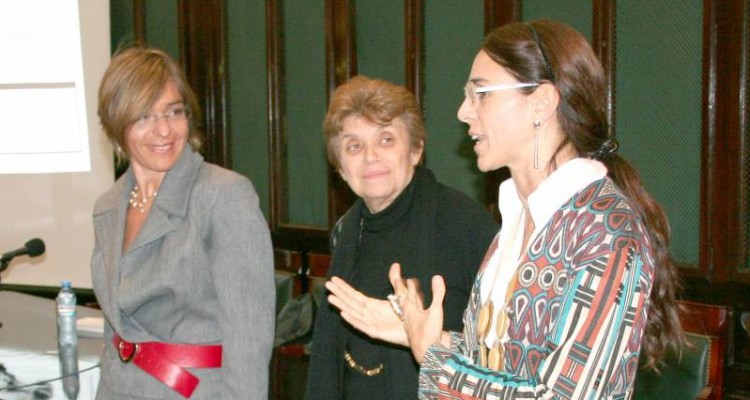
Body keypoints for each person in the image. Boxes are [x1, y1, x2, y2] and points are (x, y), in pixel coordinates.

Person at [324, 19, 684, 399]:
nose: (464, 111)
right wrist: (428, 337)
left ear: (541, 103)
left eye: (481, 94)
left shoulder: (603, 230)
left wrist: (432, 359)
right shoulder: (516, 219)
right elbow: (504, 365)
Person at [91, 47, 274, 399]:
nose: (163, 130)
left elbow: (249, 339)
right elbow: (116, 330)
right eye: (144, 116)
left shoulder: (223, 196)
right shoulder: (107, 207)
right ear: (117, 127)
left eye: (173, 112)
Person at [305, 76, 498, 399]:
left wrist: (423, 336)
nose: (370, 157)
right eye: (354, 146)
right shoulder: (346, 232)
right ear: (339, 166)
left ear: (416, 150)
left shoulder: (465, 224)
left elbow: (503, 352)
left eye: (386, 140)